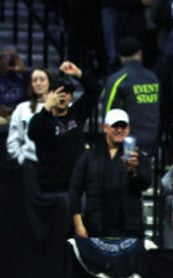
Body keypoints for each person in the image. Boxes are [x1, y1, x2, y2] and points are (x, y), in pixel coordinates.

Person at [68, 109, 152, 239]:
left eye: (123, 126)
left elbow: (145, 183)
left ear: (128, 128)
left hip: (129, 229)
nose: (119, 130)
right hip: (95, 227)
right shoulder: (89, 157)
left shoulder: (138, 157)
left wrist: (133, 172)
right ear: (105, 128)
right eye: (115, 126)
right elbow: (75, 190)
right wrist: (78, 224)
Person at [27, 61, 101, 195]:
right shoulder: (42, 119)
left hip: (77, 186)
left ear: (71, 96)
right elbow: (32, 132)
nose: (62, 96)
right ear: (49, 94)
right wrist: (47, 107)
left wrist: (79, 74)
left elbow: (95, 90)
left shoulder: (77, 113)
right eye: (57, 92)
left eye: (66, 92)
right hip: (50, 188)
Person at [100, 37, 161, 156]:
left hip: (127, 143)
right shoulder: (153, 78)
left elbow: (108, 113)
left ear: (119, 55)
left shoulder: (117, 80)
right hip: (153, 140)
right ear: (140, 53)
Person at [6, 66, 48, 166]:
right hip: (30, 163)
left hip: (55, 165)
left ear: (50, 82)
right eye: (34, 80)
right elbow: (13, 140)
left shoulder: (61, 107)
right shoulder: (22, 108)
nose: (38, 83)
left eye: (42, 80)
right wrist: (22, 160)